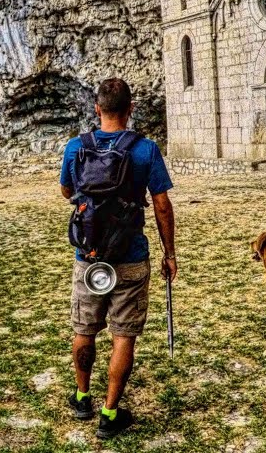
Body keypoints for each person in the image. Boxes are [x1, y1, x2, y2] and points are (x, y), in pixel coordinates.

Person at [61, 77, 177, 439]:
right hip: (130, 258)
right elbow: (161, 204)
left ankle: (82, 397)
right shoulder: (145, 150)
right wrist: (169, 253)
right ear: (130, 109)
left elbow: (67, 190)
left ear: (97, 109)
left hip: (89, 256)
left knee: (84, 329)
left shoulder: (76, 147)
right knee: (122, 336)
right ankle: (110, 414)